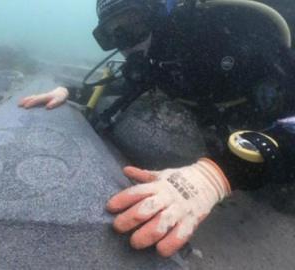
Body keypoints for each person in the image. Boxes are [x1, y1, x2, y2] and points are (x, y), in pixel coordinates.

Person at [19, 0, 295, 258]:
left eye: (133, 23)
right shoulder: (157, 57)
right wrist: (70, 91)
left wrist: (220, 174)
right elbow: (127, 85)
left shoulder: (234, 34)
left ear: (158, 12)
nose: (127, 42)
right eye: (115, 33)